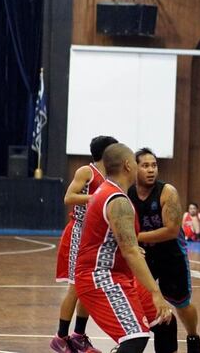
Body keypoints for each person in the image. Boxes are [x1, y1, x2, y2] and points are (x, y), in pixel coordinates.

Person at [74, 143, 173, 353]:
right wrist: (156, 292)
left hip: (118, 274)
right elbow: (130, 251)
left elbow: (120, 243)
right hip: (100, 276)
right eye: (139, 164)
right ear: (129, 165)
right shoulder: (117, 200)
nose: (143, 168)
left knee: (164, 320)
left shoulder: (109, 191)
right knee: (135, 338)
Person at [128, 148, 200, 353]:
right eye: (145, 166)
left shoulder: (167, 191)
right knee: (142, 301)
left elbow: (171, 231)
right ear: (134, 168)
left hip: (171, 255)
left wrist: (135, 238)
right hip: (144, 256)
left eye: (154, 165)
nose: (151, 170)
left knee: (182, 304)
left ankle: (193, 337)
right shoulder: (128, 194)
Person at [51, 135, 117, 353]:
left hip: (95, 235)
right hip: (78, 232)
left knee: (87, 287)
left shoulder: (111, 176)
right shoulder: (86, 172)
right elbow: (68, 197)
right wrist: (98, 198)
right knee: (75, 287)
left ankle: (79, 335)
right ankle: (60, 337)